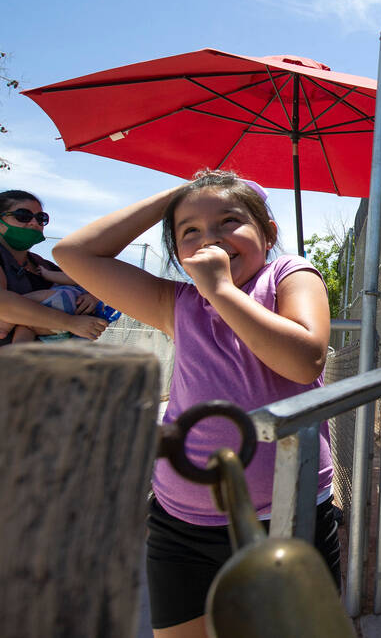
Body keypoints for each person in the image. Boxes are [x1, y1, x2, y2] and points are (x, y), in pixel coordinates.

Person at [53, 170, 339, 638]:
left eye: (230, 221)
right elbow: (73, 254)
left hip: (285, 512)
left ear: (267, 232)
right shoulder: (176, 300)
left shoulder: (290, 274)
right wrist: (178, 193)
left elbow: (304, 361)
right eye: (190, 231)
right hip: (180, 518)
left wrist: (222, 291)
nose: (211, 238)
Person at [0, 189, 109, 346]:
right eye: (23, 216)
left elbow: (88, 284)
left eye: (41, 218)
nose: (34, 223)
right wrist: (70, 323)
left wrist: (94, 296)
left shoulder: (46, 267)